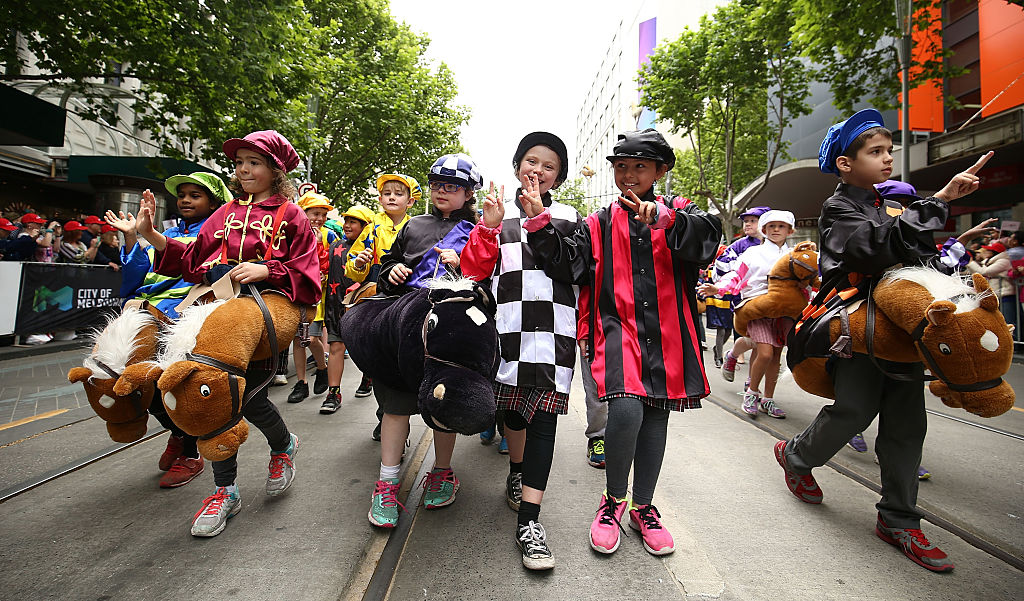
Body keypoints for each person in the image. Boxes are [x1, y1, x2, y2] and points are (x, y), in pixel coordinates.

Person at [780, 108, 992, 573]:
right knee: (854, 412)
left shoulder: (893, 205)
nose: (887, 158)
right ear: (844, 163)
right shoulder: (838, 208)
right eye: (875, 152)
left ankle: (899, 519)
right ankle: (796, 455)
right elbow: (868, 247)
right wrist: (938, 200)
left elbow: (924, 263)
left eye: (889, 151)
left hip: (905, 332)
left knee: (907, 426)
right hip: (858, 333)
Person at [522, 129, 722, 557]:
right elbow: (567, 265)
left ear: (660, 171)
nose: (629, 175)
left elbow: (709, 239)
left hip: (670, 333)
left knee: (657, 415)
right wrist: (539, 219)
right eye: (622, 167)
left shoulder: (682, 211)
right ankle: (613, 501)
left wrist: (667, 221)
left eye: (640, 167)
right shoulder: (596, 222)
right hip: (618, 330)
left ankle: (644, 508)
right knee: (627, 406)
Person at [135, 129, 318, 537]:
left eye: (254, 162)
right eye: (239, 163)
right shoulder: (226, 211)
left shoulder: (292, 214)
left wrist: (268, 269)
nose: (245, 170)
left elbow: (308, 270)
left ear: (275, 168)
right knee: (219, 395)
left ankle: (281, 446)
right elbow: (190, 256)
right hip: (214, 305)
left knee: (249, 400)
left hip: (265, 307)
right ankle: (226, 490)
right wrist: (150, 235)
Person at [461, 132, 580, 570]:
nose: (538, 170)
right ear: (516, 167)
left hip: (553, 332)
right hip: (504, 331)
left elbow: (573, 267)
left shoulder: (569, 216)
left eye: (549, 166)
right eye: (531, 161)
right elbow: (475, 270)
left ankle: (530, 522)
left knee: (545, 421)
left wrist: (540, 220)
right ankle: (515, 470)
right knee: (513, 413)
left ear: (558, 176)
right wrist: (488, 228)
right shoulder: (495, 213)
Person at [367, 153, 481, 529]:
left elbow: (487, 280)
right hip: (403, 326)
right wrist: (392, 271)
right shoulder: (413, 225)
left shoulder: (481, 229)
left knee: (442, 403)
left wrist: (463, 266)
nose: (442, 192)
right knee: (396, 404)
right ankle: (386, 483)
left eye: (452, 186)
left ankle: (442, 471)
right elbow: (386, 264)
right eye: (437, 185)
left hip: (449, 330)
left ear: (469, 193)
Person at [107, 171, 233, 487]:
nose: (186, 200)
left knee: (177, 386)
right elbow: (135, 280)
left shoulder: (220, 233)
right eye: (183, 195)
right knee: (134, 382)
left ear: (214, 202)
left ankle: (191, 453)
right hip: (146, 315)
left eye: (196, 195)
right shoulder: (165, 231)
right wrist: (133, 237)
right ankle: (178, 434)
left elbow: (210, 276)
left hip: (189, 316)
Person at [346, 173, 421, 438]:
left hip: (409, 298)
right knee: (379, 360)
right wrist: (359, 262)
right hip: (380, 298)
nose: (391, 197)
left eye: (398, 193)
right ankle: (386, 414)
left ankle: (400, 416)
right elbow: (353, 269)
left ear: (410, 201)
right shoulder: (372, 228)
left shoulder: (418, 226)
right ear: (379, 199)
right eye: (387, 192)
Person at [708, 210, 803, 419]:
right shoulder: (752, 253)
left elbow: (806, 283)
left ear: (790, 230)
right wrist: (718, 288)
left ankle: (768, 399)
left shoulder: (794, 256)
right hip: (756, 308)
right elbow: (736, 274)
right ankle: (751, 393)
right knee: (765, 352)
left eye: (781, 226)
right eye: (771, 226)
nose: (776, 230)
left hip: (784, 313)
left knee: (776, 356)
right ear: (764, 230)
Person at [320, 204, 373, 414]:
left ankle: (367, 377)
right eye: (346, 221)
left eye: (353, 222)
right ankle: (333, 393)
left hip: (361, 309)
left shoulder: (371, 249)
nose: (347, 225)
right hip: (335, 305)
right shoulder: (335, 246)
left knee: (365, 350)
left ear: (365, 226)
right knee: (335, 348)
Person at [286, 191, 336, 404]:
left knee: (312, 339)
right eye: (315, 213)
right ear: (303, 213)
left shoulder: (329, 235)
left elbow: (329, 265)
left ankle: (322, 368)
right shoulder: (292, 233)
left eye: (323, 214)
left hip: (318, 297)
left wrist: (317, 245)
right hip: (295, 294)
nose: (319, 219)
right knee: (298, 340)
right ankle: (301, 383)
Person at [712, 206, 769, 382]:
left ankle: (753, 384)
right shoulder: (740, 245)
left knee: (763, 347)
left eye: (753, 221)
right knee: (757, 342)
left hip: (771, 301)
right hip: (745, 300)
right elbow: (721, 268)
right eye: (746, 221)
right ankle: (734, 356)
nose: (748, 225)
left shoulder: (776, 245)